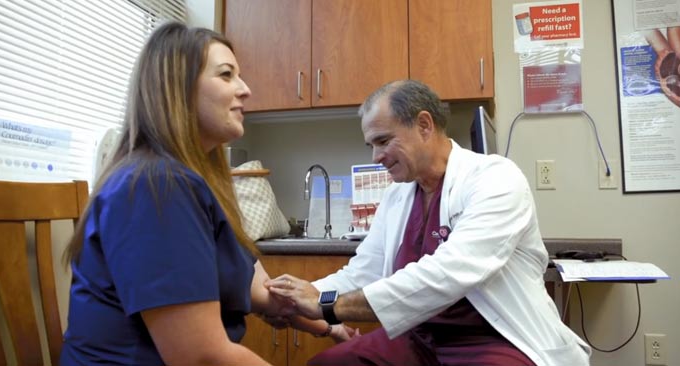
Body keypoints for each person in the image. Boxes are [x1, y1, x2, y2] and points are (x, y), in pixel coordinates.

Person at [59, 21, 344, 365]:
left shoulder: (190, 185)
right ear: (177, 89)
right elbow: (200, 356)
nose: (245, 89)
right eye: (226, 75)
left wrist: (327, 325)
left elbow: (261, 291)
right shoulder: (157, 186)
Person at [267, 80, 592, 365]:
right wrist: (296, 298)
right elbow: (362, 271)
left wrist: (325, 305)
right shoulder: (397, 197)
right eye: (371, 145)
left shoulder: (496, 178)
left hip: (496, 337)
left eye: (383, 141)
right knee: (330, 363)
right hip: (421, 338)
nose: (375, 157)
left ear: (424, 125)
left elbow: (449, 273)